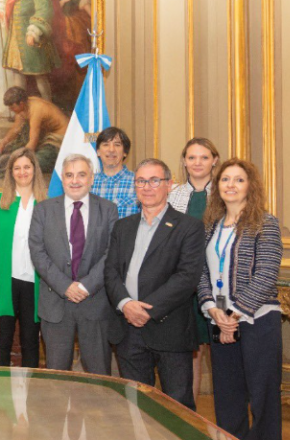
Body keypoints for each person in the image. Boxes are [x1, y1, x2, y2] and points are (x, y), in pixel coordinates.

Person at [104, 158, 205, 410]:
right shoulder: (122, 227)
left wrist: (145, 310)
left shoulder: (189, 227)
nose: (147, 187)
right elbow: (111, 272)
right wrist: (126, 304)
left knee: (178, 406)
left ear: (169, 185)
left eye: (154, 180)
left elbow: (187, 277)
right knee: (136, 406)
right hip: (128, 330)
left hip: (169, 328)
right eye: (141, 181)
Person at [198, 158, 283, 439]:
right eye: (225, 179)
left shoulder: (265, 223)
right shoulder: (210, 226)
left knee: (262, 395)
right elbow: (201, 273)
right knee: (227, 395)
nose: (230, 185)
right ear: (216, 186)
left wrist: (233, 315)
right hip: (220, 321)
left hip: (257, 321)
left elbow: (266, 274)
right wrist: (213, 310)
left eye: (238, 179)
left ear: (250, 186)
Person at [29, 154, 118, 374]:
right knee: (57, 375)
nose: (75, 180)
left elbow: (111, 252)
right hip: (55, 303)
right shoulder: (43, 209)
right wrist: (65, 286)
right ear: (62, 178)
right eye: (69, 175)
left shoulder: (108, 209)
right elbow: (37, 252)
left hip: (95, 303)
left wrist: (86, 286)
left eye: (81, 174)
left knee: (99, 376)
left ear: (91, 179)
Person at [0, 148, 47, 367]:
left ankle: (31, 394)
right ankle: (0, 394)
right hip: (4, 281)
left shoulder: (46, 203)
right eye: (17, 168)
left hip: (35, 284)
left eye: (27, 167)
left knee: (31, 341)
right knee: (2, 340)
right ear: (11, 172)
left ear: (34, 170)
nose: (22, 172)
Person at [167, 137, 220, 403]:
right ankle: (191, 415)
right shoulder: (173, 195)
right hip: (182, 285)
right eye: (191, 157)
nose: (197, 163)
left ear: (214, 160)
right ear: (184, 162)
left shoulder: (225, 193)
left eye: (203, 157)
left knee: (221, 353)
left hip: (218, 285)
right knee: (192, 353)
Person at [0, 86, 68, 176]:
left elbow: (33, 141)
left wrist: (21, 160)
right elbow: (16, 128)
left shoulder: (37, 110)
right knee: (17, 147)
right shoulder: (24, 107)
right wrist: (4, 142)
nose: (10, 109)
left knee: (38, 160)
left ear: (21, 103)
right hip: (47, 135)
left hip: (59, 139)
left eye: (12, 107)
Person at [2, 0, 61, 100]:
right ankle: (21, 108)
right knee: (18, 73)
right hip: (15, 39)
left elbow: (44, 11)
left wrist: (33, 32)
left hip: (32, 39)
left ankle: (48, 107)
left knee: (40, 75)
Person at [91, 126, 140, 218]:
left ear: (125, 152)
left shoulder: (138, 182)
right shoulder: (88, 183)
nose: (111, 150)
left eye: (117, 145)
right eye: (106, 144)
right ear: (98, 152)